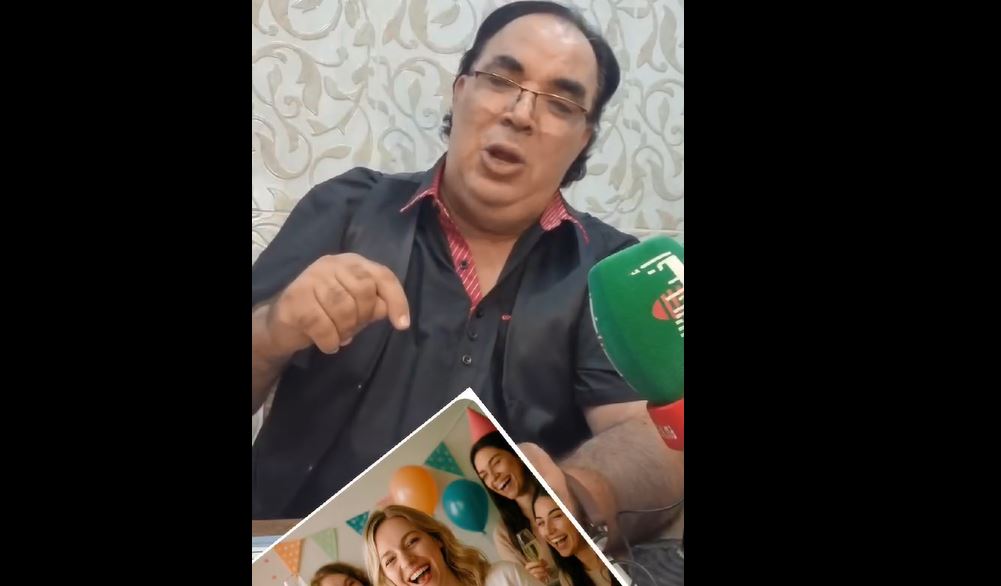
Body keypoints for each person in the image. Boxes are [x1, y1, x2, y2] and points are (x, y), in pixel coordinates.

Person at [251, 0, 683, 553]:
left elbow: (649, 434)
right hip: (294, 551)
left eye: (559, 102)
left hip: (497, 562)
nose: (521, 114)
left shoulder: (609, 272)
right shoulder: (344, 208)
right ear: (459, 92)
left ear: (584, 139)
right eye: (501, 80)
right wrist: (274, 330)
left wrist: (575, 492)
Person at [363, 505, 541, 586]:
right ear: (388, 579)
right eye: (390, 560)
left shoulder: (505, 577)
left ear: (436, 539)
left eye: (412, 542)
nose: (407, 561)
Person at [470, 431, 556, 584]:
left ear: (517, 454)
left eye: (496, 462)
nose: (493, 477)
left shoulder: (557, 489)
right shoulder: (503, 534)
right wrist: (532, 580)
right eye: (484, 476)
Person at [533, 494, 614, 586]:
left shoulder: (619, 558)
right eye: (541, 523)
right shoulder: (567, 577)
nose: (548, 531)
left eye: (557, 516)